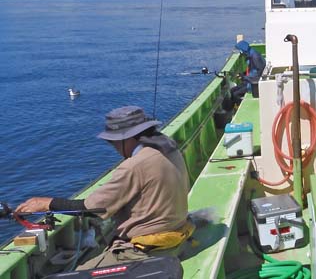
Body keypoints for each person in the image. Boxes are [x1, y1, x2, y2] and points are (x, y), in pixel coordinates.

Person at [17, 106, 193, 269]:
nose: (114, 146)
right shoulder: (169, 148)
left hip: (146, 251)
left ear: (129, 138)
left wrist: (48, 203)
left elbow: (93, 208)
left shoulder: (135, 165)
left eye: (114, 142)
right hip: (177, 237)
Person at [229, 40, 266, 109]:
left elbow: (259, 73)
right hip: (249, 80)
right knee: (232, 90)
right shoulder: (250, 54)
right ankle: (233, 107)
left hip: (253, 84)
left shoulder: (255, 57)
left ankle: (241, 108)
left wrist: (244, 77)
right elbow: (252, 69)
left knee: (235, 94)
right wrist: (243, 74)